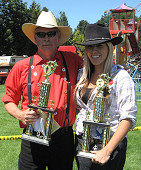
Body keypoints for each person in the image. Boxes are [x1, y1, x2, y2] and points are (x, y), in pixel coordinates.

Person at [2, 11, 83, 170]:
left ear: (58, 36)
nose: (46, 38)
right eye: (41, 34)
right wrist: (20, 115)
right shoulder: (22, 66)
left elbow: (95, 73)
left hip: (63, 138)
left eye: (51, 33)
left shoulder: (73, 61)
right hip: (32, 137)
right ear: (35, 38)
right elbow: (9, 100)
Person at [74, 23, 137, 170]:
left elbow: (128, 118)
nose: (94, 51)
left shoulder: (121, 76)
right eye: (90, 47)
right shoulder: (81, 75)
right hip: (82, 141)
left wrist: (107, 150)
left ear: (109, 47)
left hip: (110, 144)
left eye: (100, 46)